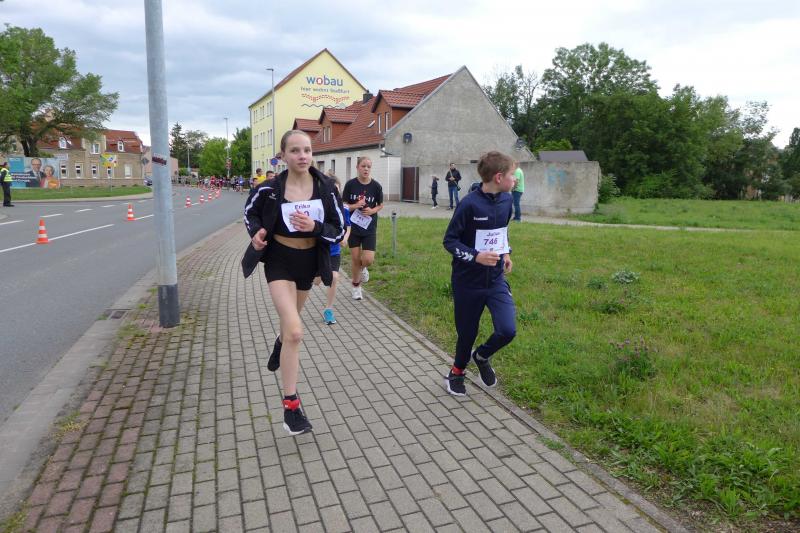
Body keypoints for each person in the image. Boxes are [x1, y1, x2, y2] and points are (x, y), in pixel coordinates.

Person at [244, 130, 345, 435]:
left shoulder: (326, 188)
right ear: (283, 155)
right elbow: (250, 213)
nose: (303, 156)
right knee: (297, 332)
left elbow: (340, 229)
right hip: (279, 260)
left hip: (308, 263)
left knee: (290, 328)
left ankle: (280, 341)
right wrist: (257, 234)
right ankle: (291, 407)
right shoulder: (269, 189)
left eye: (307, 150)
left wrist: (316, 226)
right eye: (295, 150)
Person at [442, 151, 517, 396]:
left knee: (507, 330)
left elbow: (502, 231)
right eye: (512, 175)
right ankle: (457, 372)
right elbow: (449, 241)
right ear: (498, 177)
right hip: (467, 282)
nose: (515, 179)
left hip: (495, 280)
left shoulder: (507, 201)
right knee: (467, 333)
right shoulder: (468, 204)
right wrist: (476, 256)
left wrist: (505, 253)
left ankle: (482, 356)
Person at [342, 156, 383, 300]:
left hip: (369, 227)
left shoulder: (376, 186)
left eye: (368, 167)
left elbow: (380, 205)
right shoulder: (350, 185)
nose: (366, 169)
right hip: (353, 227)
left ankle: (364, 268)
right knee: (355, 259)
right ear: (357, 167)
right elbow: (344, 205)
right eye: (363, 166)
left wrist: (372, 211)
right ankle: (356, 287)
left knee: (368, 259)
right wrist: (355, 206)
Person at [314, 175, 351, 325]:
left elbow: (347, 227)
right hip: (317, 250)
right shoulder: (316, 207)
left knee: (334, 277)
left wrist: (345, 238)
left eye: (336, 190)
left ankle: (328, 310)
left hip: (334, 251)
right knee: (316, 281)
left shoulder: (343, 209)